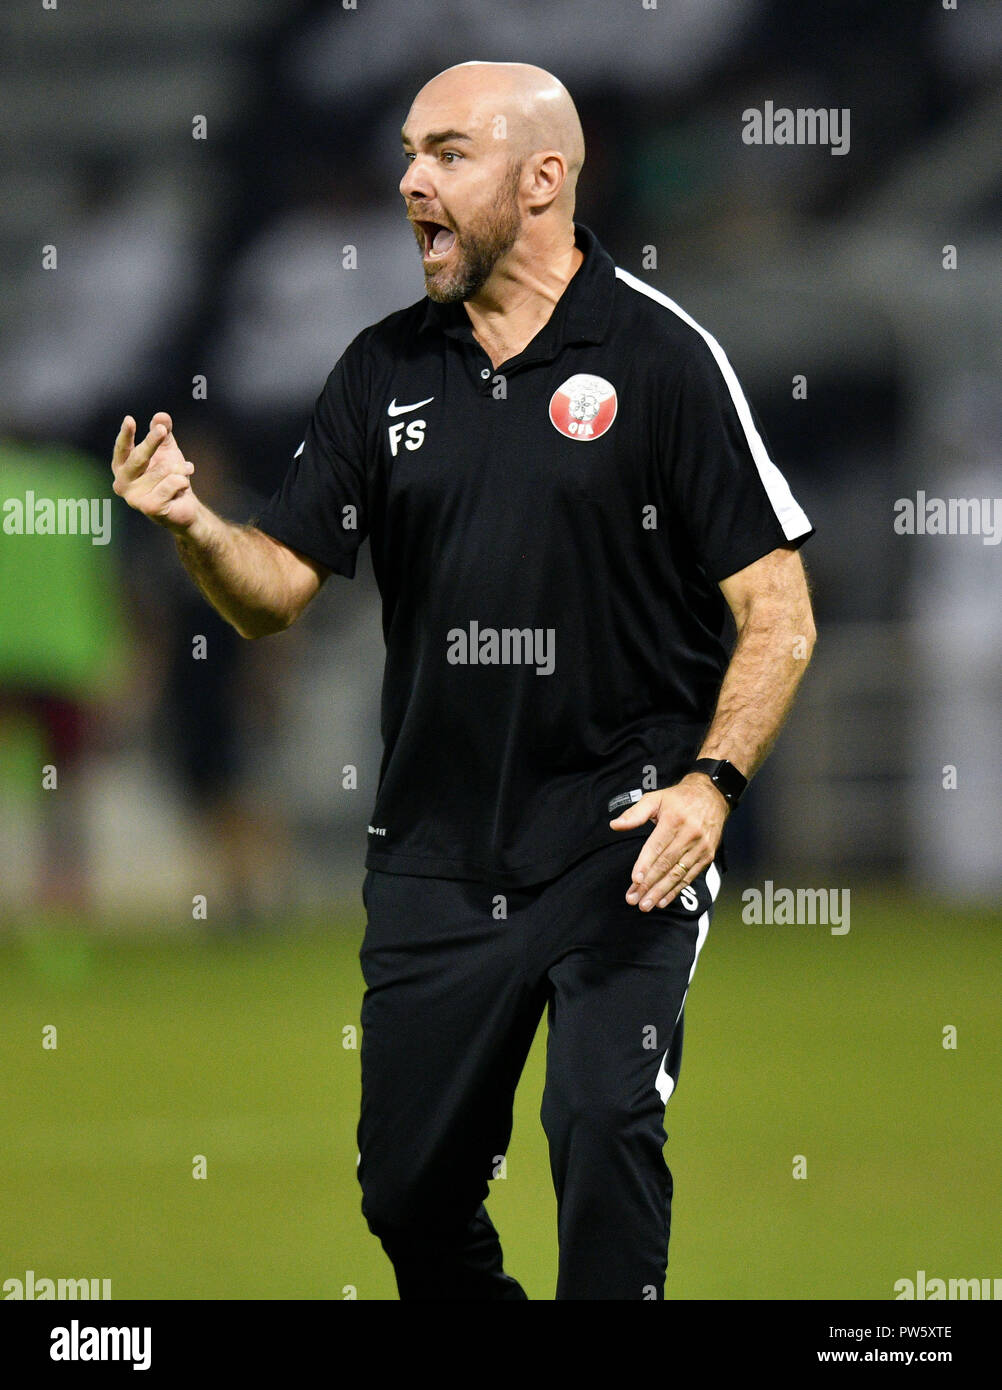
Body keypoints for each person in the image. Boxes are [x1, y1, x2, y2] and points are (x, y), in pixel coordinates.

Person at [110, 61, 816, 1300]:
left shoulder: (660, 359)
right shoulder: (384, 370)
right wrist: (194, 529)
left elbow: (780, 611)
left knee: (601, 1126)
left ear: (544, 179)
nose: (407, 182)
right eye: (407, 153)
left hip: (624, 832)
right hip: (437, 850)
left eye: (445, 153)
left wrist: (710, 784)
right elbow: (275, 590)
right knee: (409, 1193)